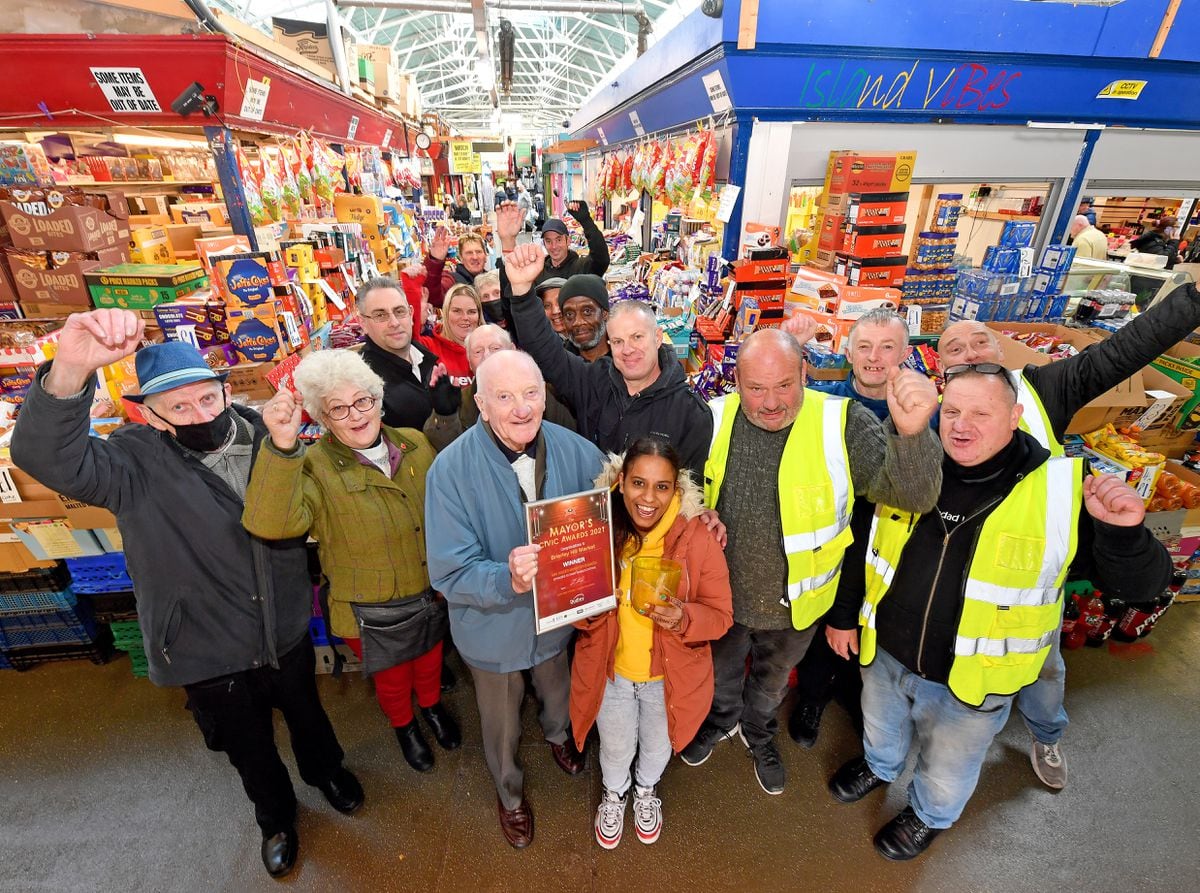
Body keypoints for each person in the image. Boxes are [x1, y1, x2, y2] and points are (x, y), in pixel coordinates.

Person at [10, 313, 362, 879]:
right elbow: (46, 458)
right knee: (247, 745)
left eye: (208, 397)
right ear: (148, 414)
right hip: (204, 643)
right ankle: (275, 817)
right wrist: (71, 369)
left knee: (307, 713)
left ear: (225, 390)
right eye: (179, 407)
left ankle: (328, 773)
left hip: (286, 624)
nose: (202, 414)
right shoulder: (128, 464)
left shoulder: (263, 434)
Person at [828, 365, 1171, 860]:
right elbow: (863, 542)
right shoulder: (910, 461)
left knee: (949, 766)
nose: (961, 425)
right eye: (952, 411)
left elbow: (1141, 588)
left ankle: (929, 815)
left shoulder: (1059, 491)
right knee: (879, 726)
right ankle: (880, 768)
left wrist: (1123, 534)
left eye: (981, 413)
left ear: (1015, 417)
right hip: (886, 651)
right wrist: (844, 615)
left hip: (973, 681)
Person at [936, 278, 1200, 788]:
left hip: (1037, 569)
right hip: (971, 568)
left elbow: (1122, 352)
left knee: (1042, 668)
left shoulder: (1045, 387)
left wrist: (1191, 302)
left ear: (1001, 352)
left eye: (980, 342)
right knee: (964, 665)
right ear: (941, 365)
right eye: (954, 347)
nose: (969, 352)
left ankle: (1046, 735)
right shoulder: (935, 410)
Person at [679, 329, 943, 796]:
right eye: (756, 388)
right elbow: (681, 490)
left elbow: (914, 497)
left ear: (806, 373)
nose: (771, 403)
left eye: (784, 385)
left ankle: (758, 733)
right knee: (720, 678)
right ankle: (721, 722)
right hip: (721, 601)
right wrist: (695, 510)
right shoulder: (711, 419)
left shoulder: (842, 422)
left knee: (770, 684)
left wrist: (914, 434)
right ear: (735, 381)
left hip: (796, 608)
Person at [242, 350, 461, 773]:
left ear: (378, 399)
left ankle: (432, 708)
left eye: (363, 400)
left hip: (426, 590)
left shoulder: (414, 444)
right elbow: (271, 524)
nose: (356, 414)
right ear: (323, 418)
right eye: (337, 409)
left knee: (431, 658)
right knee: (393, 677)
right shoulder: (310, 466)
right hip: (368, 607)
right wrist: (282, 446)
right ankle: (405, 727)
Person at [425, 350, 601, 849]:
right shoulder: (449, 471)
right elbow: (449, 572)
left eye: (530, 393)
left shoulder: (578, 451)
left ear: (545, 394)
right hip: (492, 628)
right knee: (500, 724)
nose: (521, 408)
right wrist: (507, 580)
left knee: (557, 689)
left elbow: (607, 521)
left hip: (558, 620)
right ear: (480, 404)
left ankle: (558, 736)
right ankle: (510, 796)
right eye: (504, 397)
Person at [571, 438, 733, 849]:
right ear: (621, 481)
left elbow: (721, 615)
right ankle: (614, 794)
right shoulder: (597, 529)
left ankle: (645, 791)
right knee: (614, 746)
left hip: (669, 679)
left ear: (676, 488)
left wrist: (685, 618)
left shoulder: (698, 538)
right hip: (613, 675)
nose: (648, 498)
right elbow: (578, 609)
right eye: (638, 483)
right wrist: (583, 610)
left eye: (662, 487)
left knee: (659, 747)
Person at [789, 309, 911, 748]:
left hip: (892, 553)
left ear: (906, 353)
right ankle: (813, 697)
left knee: (875, 638)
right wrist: (792, 347)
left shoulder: (924, 415)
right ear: (848, 351)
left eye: (887, 348)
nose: (874, 358)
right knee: (824, 631)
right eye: (865, 346)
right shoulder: (824, 402)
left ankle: (860, 702)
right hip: (834, 545)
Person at [505, 246, 713, 479]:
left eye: (637, 337)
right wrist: (522, 291)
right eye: (618, 341)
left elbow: (690, 495)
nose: (628, 350)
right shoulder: (594, 381)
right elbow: (545, 350)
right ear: (609, 342)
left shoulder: (691, 413)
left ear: (657, 338)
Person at [357, 276, 455, 431]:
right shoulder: (362, 380)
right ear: (363, 323)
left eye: (399, 311)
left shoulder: (425, 356)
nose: (394, 323)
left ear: (411, 314)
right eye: (380, 315)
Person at [497, 200, 610, 286]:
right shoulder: (536, 271)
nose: (554, 246)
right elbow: (513, 289)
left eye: (559, 239)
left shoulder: (581, 268)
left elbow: (602, 259)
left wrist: (586, 221)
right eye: (548, 241)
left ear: (568, 241)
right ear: (544, 244)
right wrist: (507, 240)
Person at [418, 283, 482, 386]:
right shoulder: (428, 346)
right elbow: (403, 343)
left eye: (471, 312)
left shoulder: (492, 347)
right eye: (457, 311)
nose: (465, 317)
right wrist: (417, 317)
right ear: (446, 313)